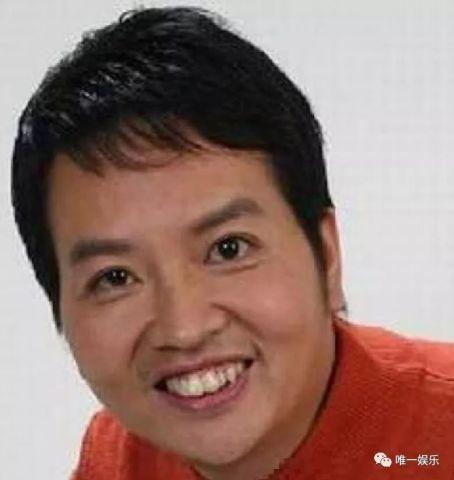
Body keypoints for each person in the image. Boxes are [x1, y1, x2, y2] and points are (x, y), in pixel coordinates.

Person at [11, 6, 454, 480]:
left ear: (326, 256)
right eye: (115, 277)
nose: (184, 329)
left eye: (228, 249)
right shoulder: (117, 459)